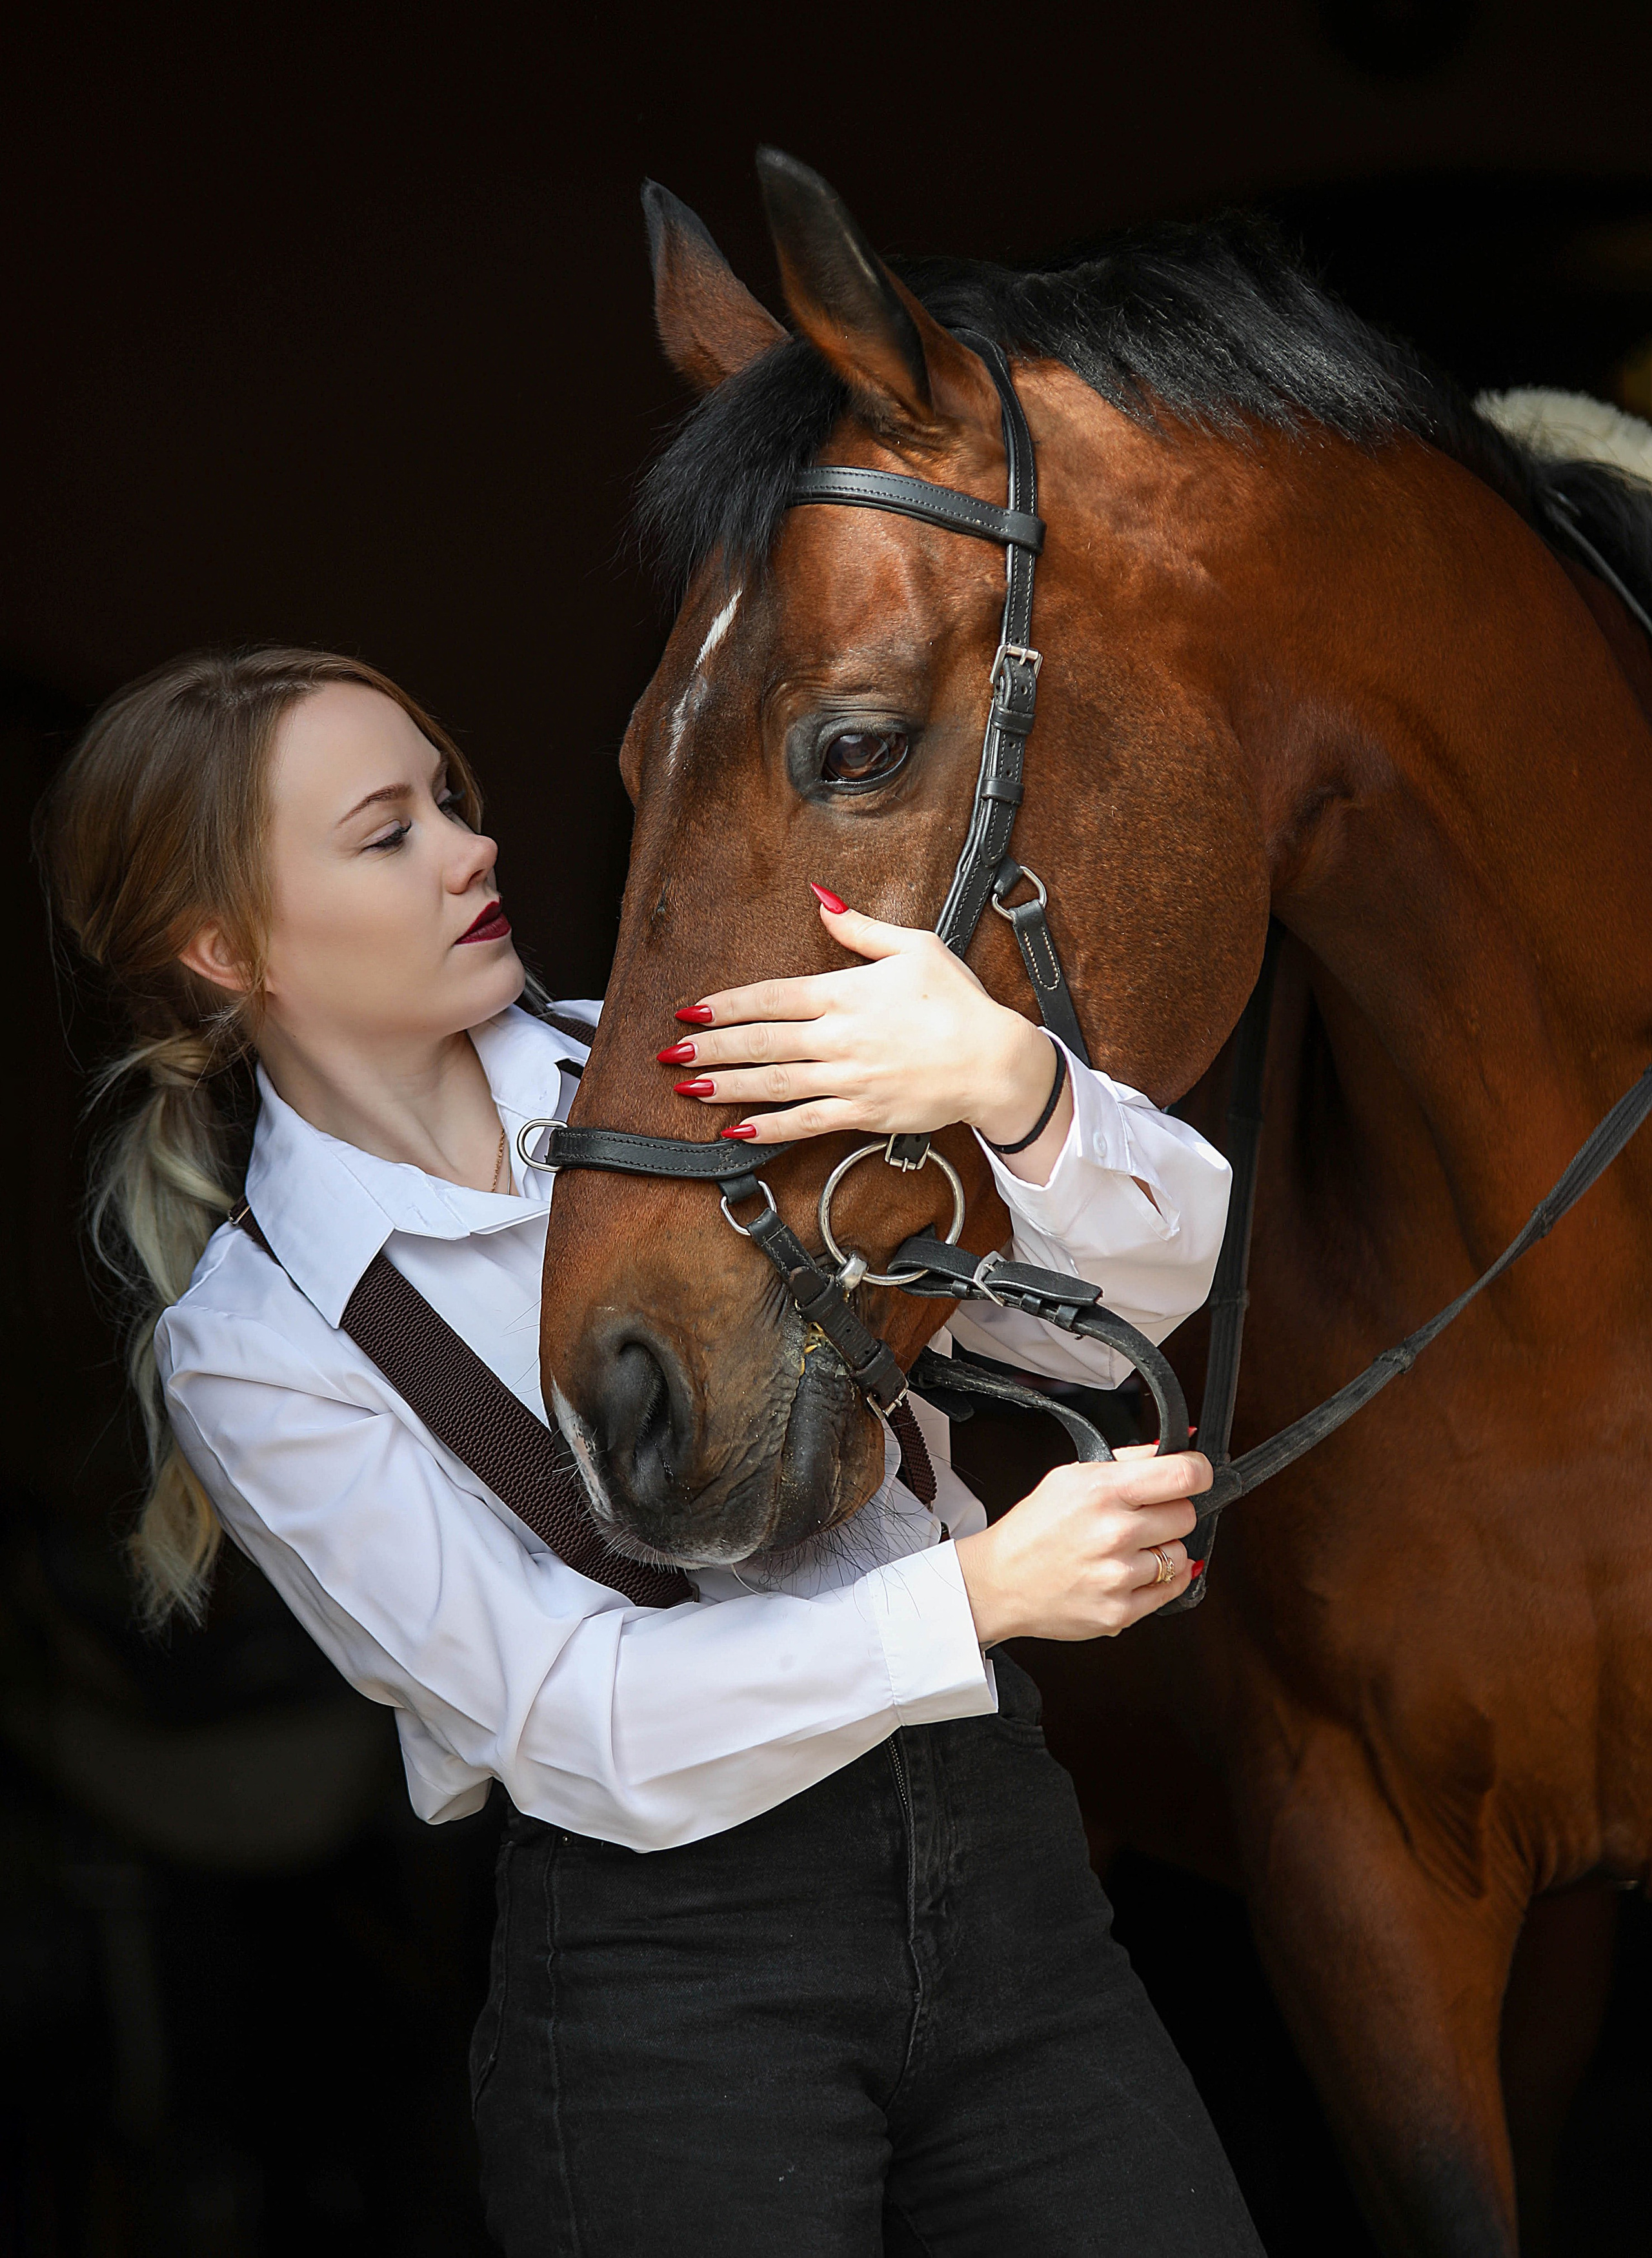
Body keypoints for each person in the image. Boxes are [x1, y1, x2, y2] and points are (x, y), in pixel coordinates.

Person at [42, 645, 1264, 2255]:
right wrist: (974, 1591)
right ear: (227, 949)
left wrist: (1014, 1086)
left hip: (1011, 1882)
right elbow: (572, 1723)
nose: (470, 848)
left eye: (450, 800)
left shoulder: (707, 1055)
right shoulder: (258, 1341)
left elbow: (1110, 1311)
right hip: (675, 1995)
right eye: (384, 830)